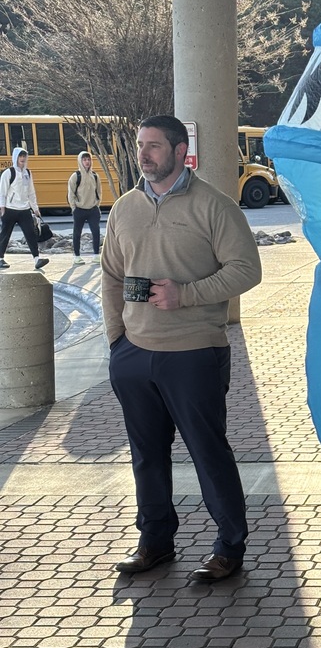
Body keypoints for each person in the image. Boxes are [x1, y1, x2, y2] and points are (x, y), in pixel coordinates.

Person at [102, 115, 262, 581]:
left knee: (207, 452)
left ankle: (229, 546)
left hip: (194, 353)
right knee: (146, 455)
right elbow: (111, 275)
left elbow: (246, 270)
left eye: (153, 146)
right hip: (135, 353)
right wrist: (117, 340)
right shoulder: (125, 208)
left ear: (178, 150)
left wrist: (185, 294)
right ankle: (155, 542)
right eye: (140, 145)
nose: (143, 154)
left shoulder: (214, 206)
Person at [0, 148, 50, 271]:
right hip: (10, 209)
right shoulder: (8, 173)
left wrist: (35, 208)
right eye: (20, 156)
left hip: (24, 210)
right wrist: (2, 208)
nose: (22, 159)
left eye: (24, 157)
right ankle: (0, 258)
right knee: (5, 234)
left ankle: (37, 259)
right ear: (15, 158)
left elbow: (31, 193)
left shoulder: (28, 173)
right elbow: (2, 192)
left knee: (30, 234)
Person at [68, 150, 102, 264]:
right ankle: (77, 256)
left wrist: (97, 203)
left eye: (88, 159)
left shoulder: (95, 176)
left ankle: (96, 255)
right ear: (80, 161)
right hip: (79, 209)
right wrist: (74, 207)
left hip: (93, 209)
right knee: (77, 233)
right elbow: (71, 193)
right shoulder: (75, 176)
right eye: (84, 160)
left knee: (96, 232)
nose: (87, 162)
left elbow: (99, 191)